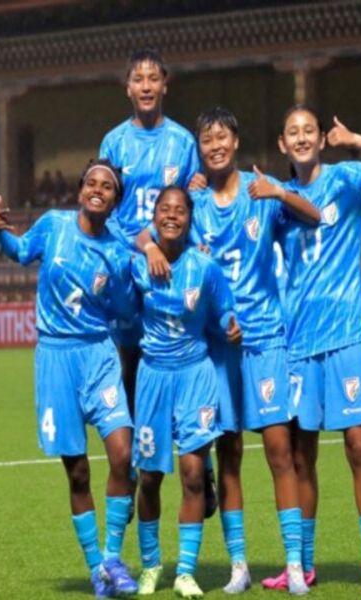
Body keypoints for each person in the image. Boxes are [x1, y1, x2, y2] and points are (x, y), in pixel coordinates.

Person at [137, 107, 320, 595]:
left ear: (236, 142)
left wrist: (280, 191)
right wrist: (150, 247)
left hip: (264, 340)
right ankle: (239, 564)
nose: (215, 146)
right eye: (207, 140)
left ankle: (294, 563)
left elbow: (316, 215)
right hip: (216, 350)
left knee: (280, 451)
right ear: (200, 149)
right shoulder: (193, 202)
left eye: (222, 138)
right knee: (230, 453)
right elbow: (145, 231)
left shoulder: (261, 193)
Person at [260, 105, 361, 597]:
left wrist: (357, 140)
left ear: (321, 139)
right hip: (298, 342)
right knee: (302, 458)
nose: (302, 138)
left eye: (310, 130)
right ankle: (303, 565)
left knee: (358, 447)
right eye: (293, 132)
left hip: (345, 335)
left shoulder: (346, 180)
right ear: (282, 144)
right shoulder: (276, 201)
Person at [0, 158, 139, 599]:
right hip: (55, 359)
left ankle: (114, 558)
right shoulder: (54, 225)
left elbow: (124, 308)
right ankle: (98, 571)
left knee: (122, 454)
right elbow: (21, 252)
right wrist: (0, 232)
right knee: (77, 474)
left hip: (98, 355)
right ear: (80, 191)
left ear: (115, 201)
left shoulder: (117, 251)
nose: (98, 189)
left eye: (107, 186)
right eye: (92, 182)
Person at [98, 47, 216, 519]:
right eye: (138, 79)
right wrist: (143, 248)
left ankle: (200, 466)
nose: (146, 86)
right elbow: (104, 208)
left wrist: (192, 247)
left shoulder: (183, 142)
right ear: (127, 87)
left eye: (153, 78)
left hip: (174, 269)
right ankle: (131, 473)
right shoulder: (113, 142)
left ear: (165, 85)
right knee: (130, 369)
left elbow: (191, 205)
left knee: (186, 359)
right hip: (132, 271)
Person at [131, 186, 242, 598]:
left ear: (189, 219)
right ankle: (150, 565)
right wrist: (146, 248)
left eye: (180, 210)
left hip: (196, 375)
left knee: (194, 474)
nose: (172, 216)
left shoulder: (205, 267)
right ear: (154, 217)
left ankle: (185, 571)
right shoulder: (137, 267)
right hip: (153, 378)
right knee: (149, 478)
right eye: (165, 209)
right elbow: (122, 308)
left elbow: (225, 307)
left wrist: (230, 323)